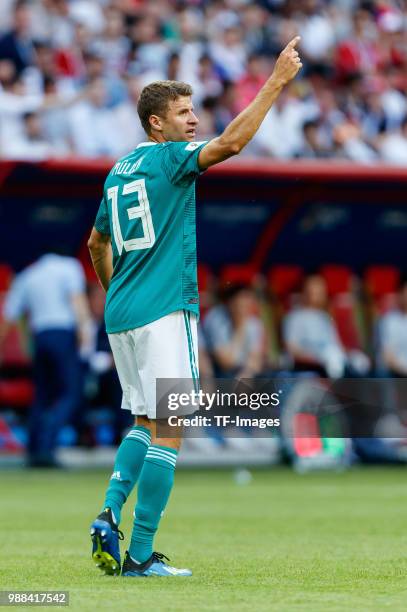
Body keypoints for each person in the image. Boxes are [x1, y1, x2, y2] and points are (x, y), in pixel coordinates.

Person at [87, 36, 302, 578]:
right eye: (182, 113)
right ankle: (138, 554)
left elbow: (96, 245)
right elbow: (230, 145)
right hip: (162, 312)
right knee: (171, 427)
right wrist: (274, 81)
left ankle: (108, 513)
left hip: (123, 315)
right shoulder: (169, 160)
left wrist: (117, 290)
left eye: (193, 110)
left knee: (144, 419)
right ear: (156, 125)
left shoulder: (119, 170)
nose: (193, 120)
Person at [0, 252, 91, 467]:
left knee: (42, 395)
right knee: (70, 393)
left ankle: (33, 449)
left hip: (40, 338)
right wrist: (85, 333)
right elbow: (76, 300)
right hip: (63, 335)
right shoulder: (69, 266)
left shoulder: (28, 275)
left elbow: (11, 315)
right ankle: (46, 446)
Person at [203, 284, 266, 377]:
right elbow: (225, 363)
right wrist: (240, 327)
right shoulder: (216, 318)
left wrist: (246, 373)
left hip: (242, 371)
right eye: (241, 304)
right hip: (215, 370)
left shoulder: (254, 323)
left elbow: (256, 360)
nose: (245, 307)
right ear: (230, 303)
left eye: (248, 303)